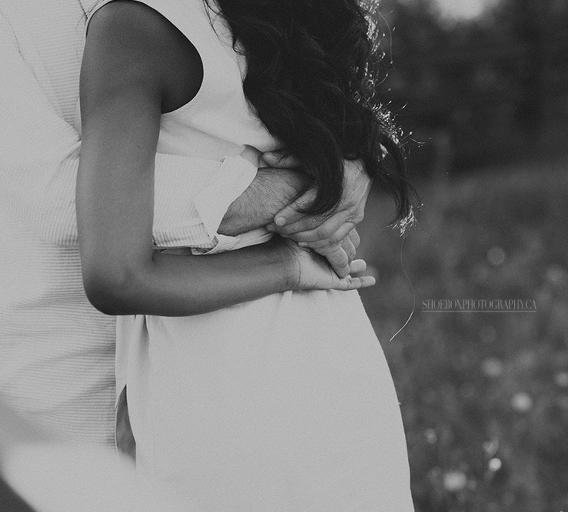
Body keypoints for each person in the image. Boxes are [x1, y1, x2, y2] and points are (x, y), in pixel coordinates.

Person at [0, 0, 372, 446]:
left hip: (244, 355)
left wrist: (345, 158)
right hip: (63, 382)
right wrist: (295, 190)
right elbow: (48, 190)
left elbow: (270, 58)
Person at [77, 0, 417, 509]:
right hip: (343, 371)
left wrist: (288, 267)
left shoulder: (130, 29)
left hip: (220, 394)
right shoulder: (293, 19)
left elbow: (117, 276)